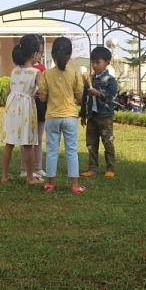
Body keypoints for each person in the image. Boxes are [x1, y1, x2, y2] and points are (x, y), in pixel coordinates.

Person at [38, 36, 86, 194]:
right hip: (70, 117)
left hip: (52, 116)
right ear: (69, 56)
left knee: (52, 150)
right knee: (71, 150)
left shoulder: (46, 75)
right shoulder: (75, 74)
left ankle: (50, 183)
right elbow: (79, 98)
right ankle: (74, 185)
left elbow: (43, 98)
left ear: (52, 55)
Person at [0, 34, 44, 186]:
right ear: (34, 54)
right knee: (28, 144)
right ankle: (30, 177)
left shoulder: (14, 71)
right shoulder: (35, 72)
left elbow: (8, 91)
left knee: (9, 143)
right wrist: (36, 93)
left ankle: (4, 175)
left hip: (12, 107)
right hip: (26, 108)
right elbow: (43, 92)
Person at [80, 46, 118, 178]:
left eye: (98, 62)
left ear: (107, 62)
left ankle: (110, 168)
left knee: (108, 142)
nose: (95, 65)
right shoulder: (89, 79)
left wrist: (99, 94)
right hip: (92, 116)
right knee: (91, 143)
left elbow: (112, 96)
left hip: (105, 116)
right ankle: (92, 168)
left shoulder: (110, 80)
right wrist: (83, 115)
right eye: (93, 62)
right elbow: (85, 98)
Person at [24, 34, 47, 179]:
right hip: (27, 106)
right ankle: (25, 168)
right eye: (37, 52)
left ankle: (38, 167)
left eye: (41, 52)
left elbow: (44, 87)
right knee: (25, 140)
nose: (38, 55)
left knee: (38, 138)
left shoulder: (41, 68)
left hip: (39, 106)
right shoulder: (22, 68)